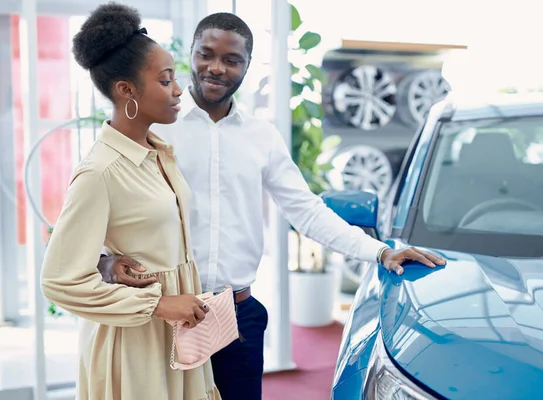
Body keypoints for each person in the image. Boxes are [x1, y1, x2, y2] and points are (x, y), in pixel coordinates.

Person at [97, 12, 446, 400]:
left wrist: (380, 251)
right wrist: (103, 257)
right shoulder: (155, 126)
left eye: (232, 60)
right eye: (206, 54)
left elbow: (306, 210)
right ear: (190, 56)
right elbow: (107, 204)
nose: (216, 68)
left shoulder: (261, 136)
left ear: (247, 65)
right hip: (166, 312)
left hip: (237, 315)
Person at [40, 3, 220, 400]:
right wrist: (158, 304)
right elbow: (59, 281)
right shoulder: (99, 172)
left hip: (179, 336)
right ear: (127, 91)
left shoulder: (160, 152)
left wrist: (109, 259)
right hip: (133, 346)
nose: (178, 90)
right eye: (165, 80)